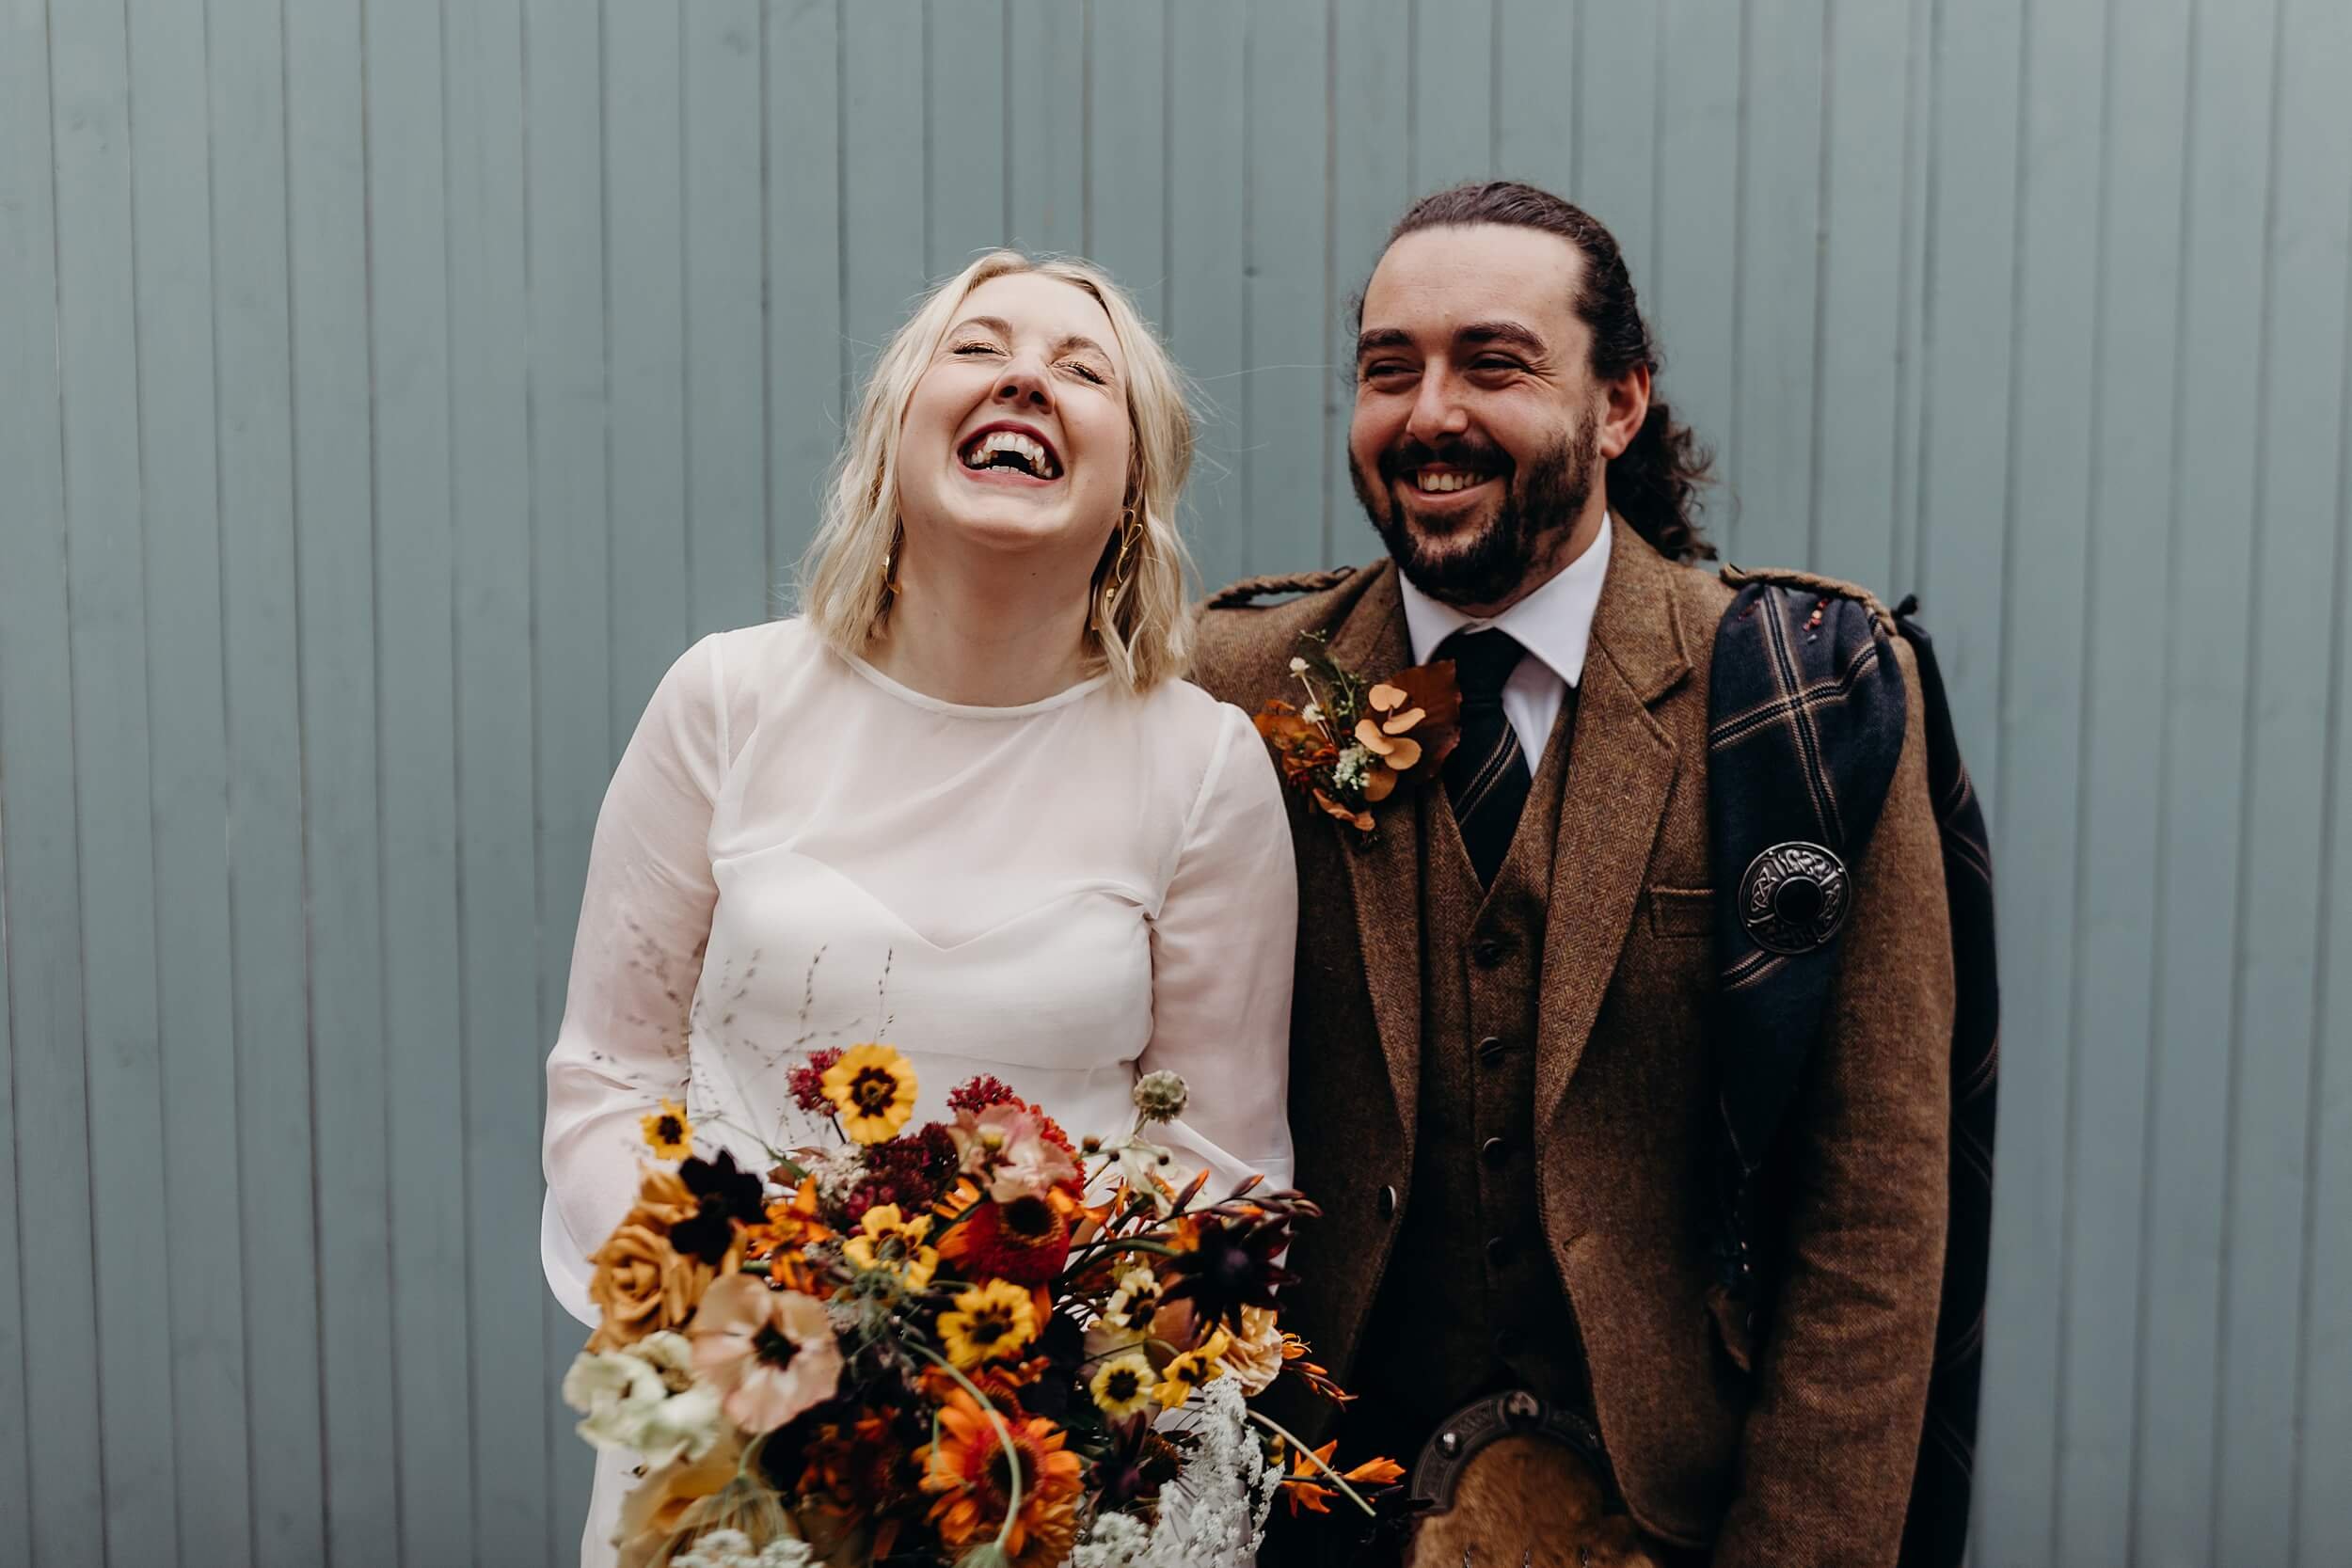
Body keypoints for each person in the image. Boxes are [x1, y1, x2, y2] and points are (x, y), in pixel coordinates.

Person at [1193, 180, 1954, 1567]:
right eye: (1388, 370)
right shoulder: (1230, 685)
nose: (1430, 414)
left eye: (1495, 362)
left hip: (1674, 1519)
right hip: (1304, 1516)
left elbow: (1874, 1211)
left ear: (1619, 405)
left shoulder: (1800, 701)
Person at [540, 251, 1298, 1567]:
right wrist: (751, 1344)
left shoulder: (1203, 768)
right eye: (979, 349)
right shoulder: (727, 703)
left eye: (1083, 370)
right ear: (893, 434)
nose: (1025, 377)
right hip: (739, 1434)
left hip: (1047, 1471)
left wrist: (1034, 1387)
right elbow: (610, 1079)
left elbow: (1221, 1173)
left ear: (1134, 488)